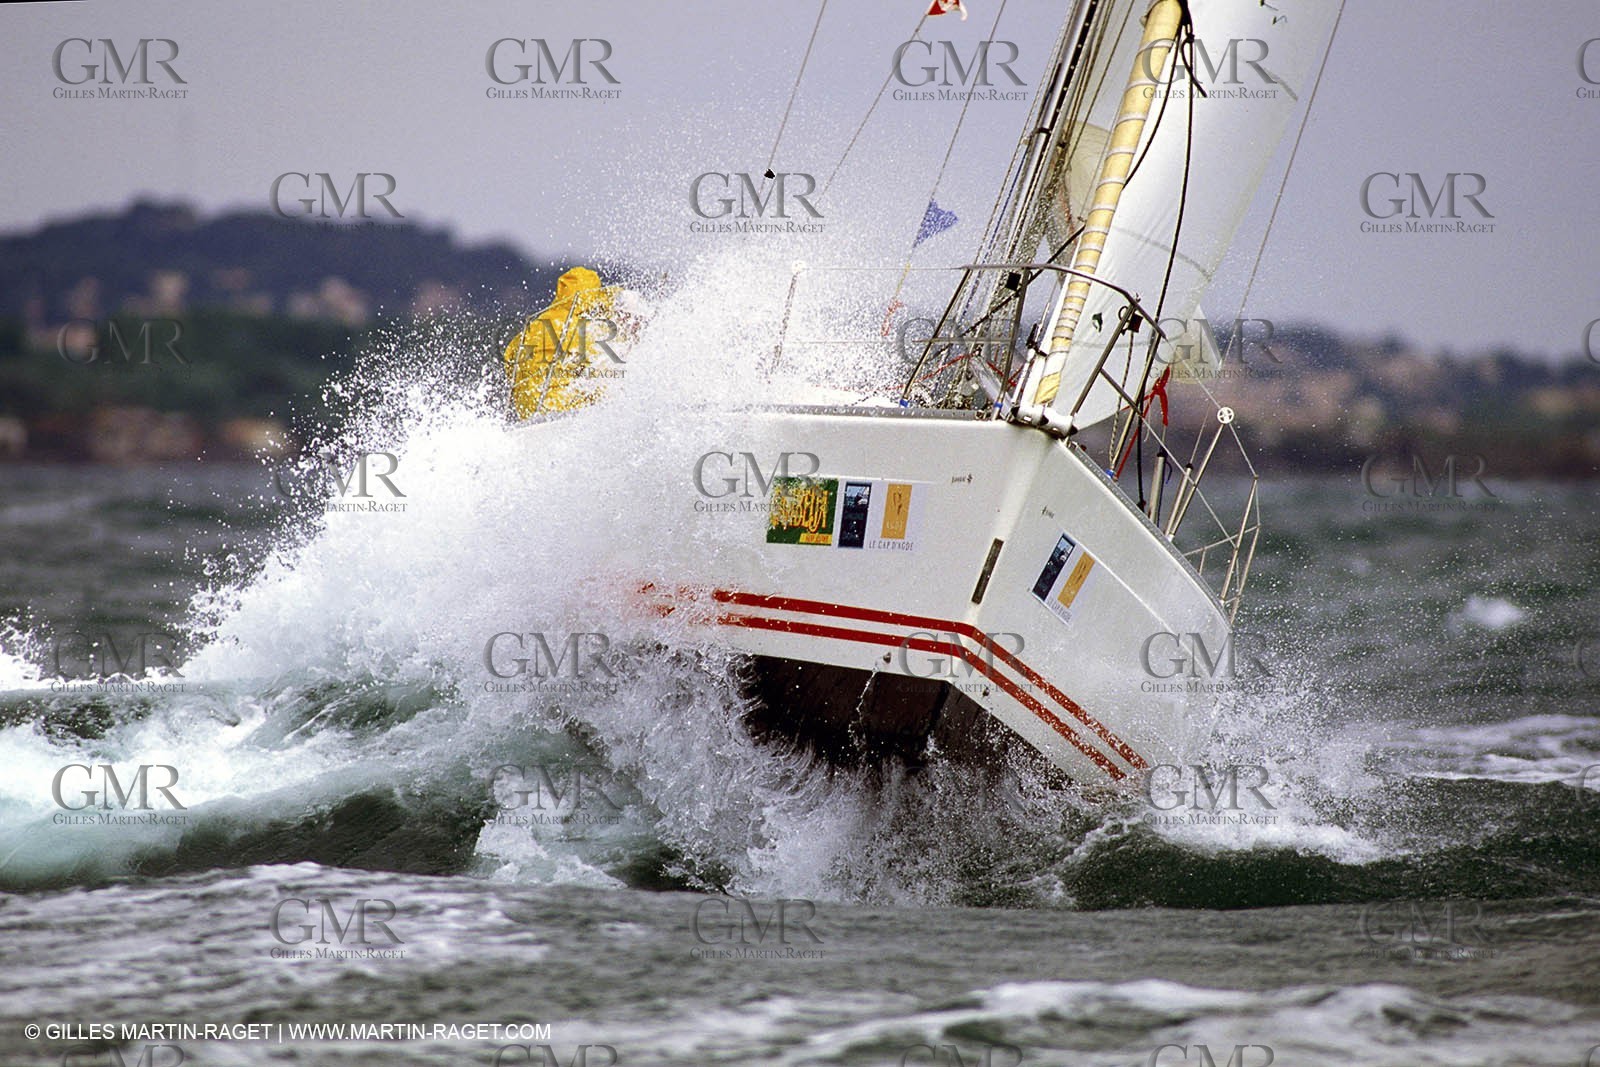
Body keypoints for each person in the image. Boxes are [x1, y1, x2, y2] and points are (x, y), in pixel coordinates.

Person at [502, 266, 648, 417]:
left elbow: (509, 360)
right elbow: (604, 367)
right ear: (590, 296)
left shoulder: (531, 328)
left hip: (527, 417)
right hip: (560, 415)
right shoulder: (579, 329)